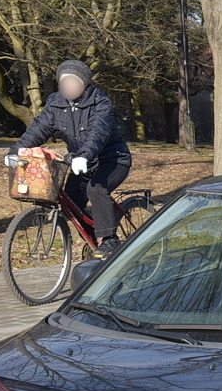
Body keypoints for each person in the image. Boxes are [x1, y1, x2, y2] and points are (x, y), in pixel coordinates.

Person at [9, 60, 132, 257]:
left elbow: (97, 133)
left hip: (113, 159)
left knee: (96, 188)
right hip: (81, 162)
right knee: (72, 202)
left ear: (84, 84)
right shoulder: (55, 103)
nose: (69, 87)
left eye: (73, 82)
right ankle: (95, 241)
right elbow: (38, 130)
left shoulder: (100, 103)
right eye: (64, 82)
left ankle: (109, 240)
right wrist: (16, 151)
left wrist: (84, 155)